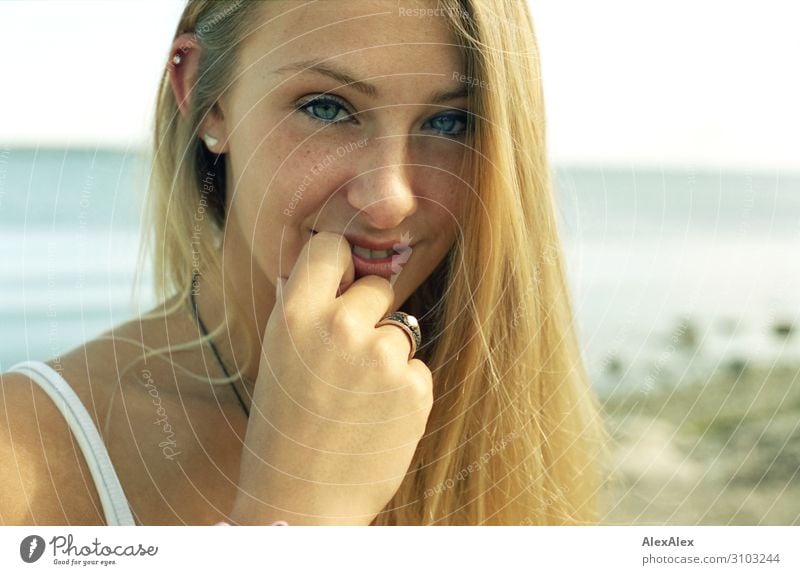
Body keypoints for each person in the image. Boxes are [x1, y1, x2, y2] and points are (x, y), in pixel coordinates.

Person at [0, 0, 609, 526]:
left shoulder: (512, 430)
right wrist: (291, 515)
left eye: (449, 121)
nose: (390, 196)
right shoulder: (24, 457)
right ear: (208, 100)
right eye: (326, 107)